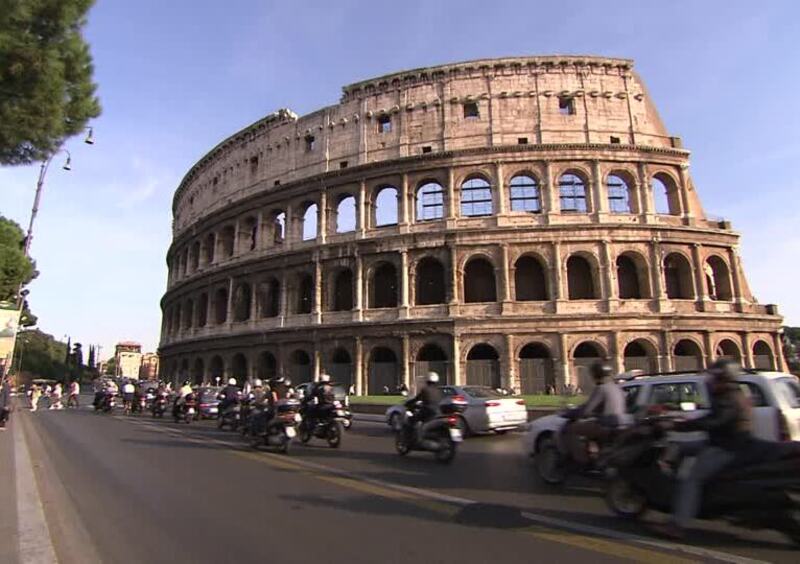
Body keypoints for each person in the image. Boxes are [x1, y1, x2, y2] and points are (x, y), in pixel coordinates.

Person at [653, 359, 754, 540]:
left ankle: (678, 525)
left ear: (723, 378)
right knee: (680, 448)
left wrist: (680, 426)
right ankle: (670, 487)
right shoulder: (730, 394)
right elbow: (712, 418)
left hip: (726, 448)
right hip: (722, 443)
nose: (709, 381)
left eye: (714, 377)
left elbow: (713, 422)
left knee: (691, 480)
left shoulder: (729, 398)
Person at [562, 362, 625, 466]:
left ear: (595, 375)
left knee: (571, 429)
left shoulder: (601, 388)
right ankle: (594, 453)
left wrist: (570, 413)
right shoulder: (617, 388)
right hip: (620, 423)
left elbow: (587, 410)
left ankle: (581, 461)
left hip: (605, 424)